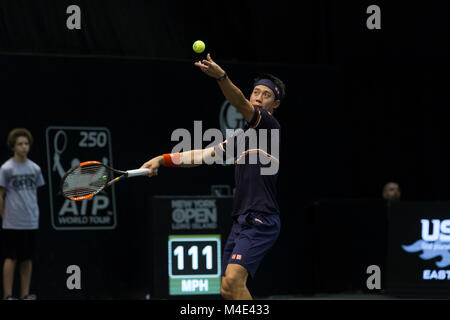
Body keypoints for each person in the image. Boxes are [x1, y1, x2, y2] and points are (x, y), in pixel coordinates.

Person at [141, 53, 285, 300]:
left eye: (267, 95)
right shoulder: (241, 139)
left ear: (275, 104)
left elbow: (240, 103)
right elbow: (203, 156)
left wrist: (221, 76)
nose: (259, 98)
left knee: (233, 280)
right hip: (242, 222)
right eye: (256, 92)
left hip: (261, 219)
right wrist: (161, 159)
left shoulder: (269, 126)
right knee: (227, 289)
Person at [0, 128, 45, 300]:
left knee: (27, 259)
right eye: (20, 144)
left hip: (31, 221)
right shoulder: (6, 169)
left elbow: (34, 193)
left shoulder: (35, 168)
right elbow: (1, 194)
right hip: (11, 222)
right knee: (11, 258)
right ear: (13, 146)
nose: (24, 147)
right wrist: (4, 216)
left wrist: (33, 214)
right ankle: (8, 295)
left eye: (26, 144)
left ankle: (25, 294)